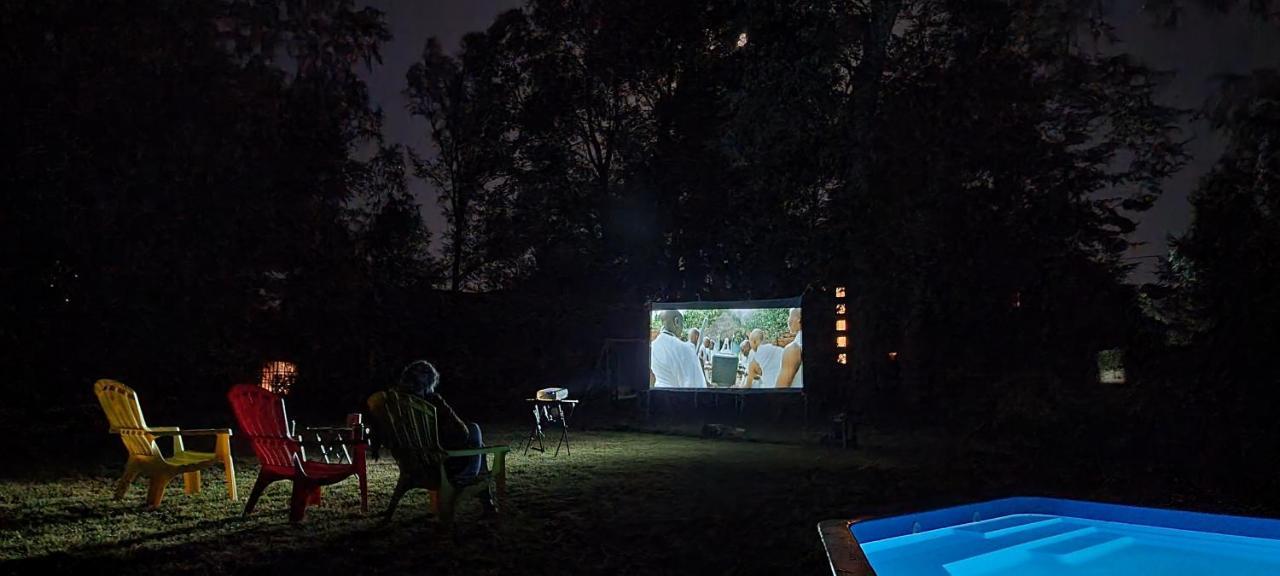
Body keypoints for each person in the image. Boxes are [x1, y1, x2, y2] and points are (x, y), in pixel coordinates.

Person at [397, 359, 497, 513]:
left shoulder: (396, 404)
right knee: (474, 430)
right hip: (441, 465)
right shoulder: (432, 401)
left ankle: (487, 501)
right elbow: (462, 433)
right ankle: (479, 487)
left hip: (412, 464)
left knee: (478, 445)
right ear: (431, 381)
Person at [650, 310, 708, 388]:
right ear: (676, 321)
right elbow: (697, 385)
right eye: (682, 324)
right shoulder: (686, 349)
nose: (682, 329)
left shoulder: (652, 347)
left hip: (659, 396)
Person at [776, 307, 804, 388]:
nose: (788, 320)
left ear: (798, 320)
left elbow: (780, 389)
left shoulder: (793, 348)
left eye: (790, 316)